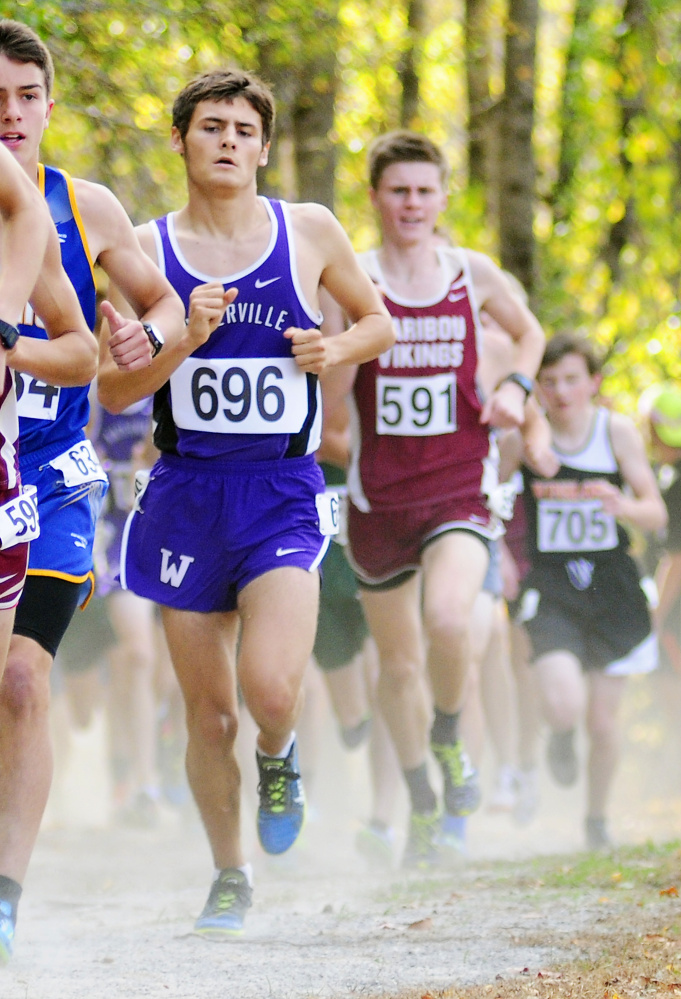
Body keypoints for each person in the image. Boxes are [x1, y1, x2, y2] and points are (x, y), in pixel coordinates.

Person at [96, 69, 393, 936]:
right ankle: (231, 872)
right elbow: (114, 392)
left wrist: (328, 347)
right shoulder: (146, 251)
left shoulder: (307, 231)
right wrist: (184, 336)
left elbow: (376, 323)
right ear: (182, 141)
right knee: (209, 711)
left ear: (263, 147)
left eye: (242, 129)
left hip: (282, 490)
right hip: (186, 492)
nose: (227, 140)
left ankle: (281, 753)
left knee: (267, 690)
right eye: (210, 126)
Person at [0, 19, 186, 964]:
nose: (10, 114)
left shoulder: (85, 205)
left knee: (24, 678)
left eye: (26, 95)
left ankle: (5, 897)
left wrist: (142, 339)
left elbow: (158, 300)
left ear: (49, 104)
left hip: (53, 481)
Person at [321, 130, 545, 867]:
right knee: (397, 665)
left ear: (443, 197)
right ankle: (420, 795)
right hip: (378, 499)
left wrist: (515, 384)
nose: (412, 203)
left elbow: (529, 331)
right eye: (398, 190)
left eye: (425, 190)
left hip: (458, 487)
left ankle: (449, 735)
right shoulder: (350, 283)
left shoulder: (469, 273)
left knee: (451, 619)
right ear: (376, 198)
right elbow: (333, 420)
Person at [507, 333, 666, 849]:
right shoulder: (526, 438)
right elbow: (486, 500)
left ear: (594, 383)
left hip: (614, 589)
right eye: (549, 381)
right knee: (563, 703)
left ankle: (596, 819)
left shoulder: (615, 432)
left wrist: (621, 504)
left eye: (572, 379)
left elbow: (656, 511)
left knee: (602, 722)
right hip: (552, 589)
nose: (561, 391)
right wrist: (502, 558)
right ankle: (557, 734)